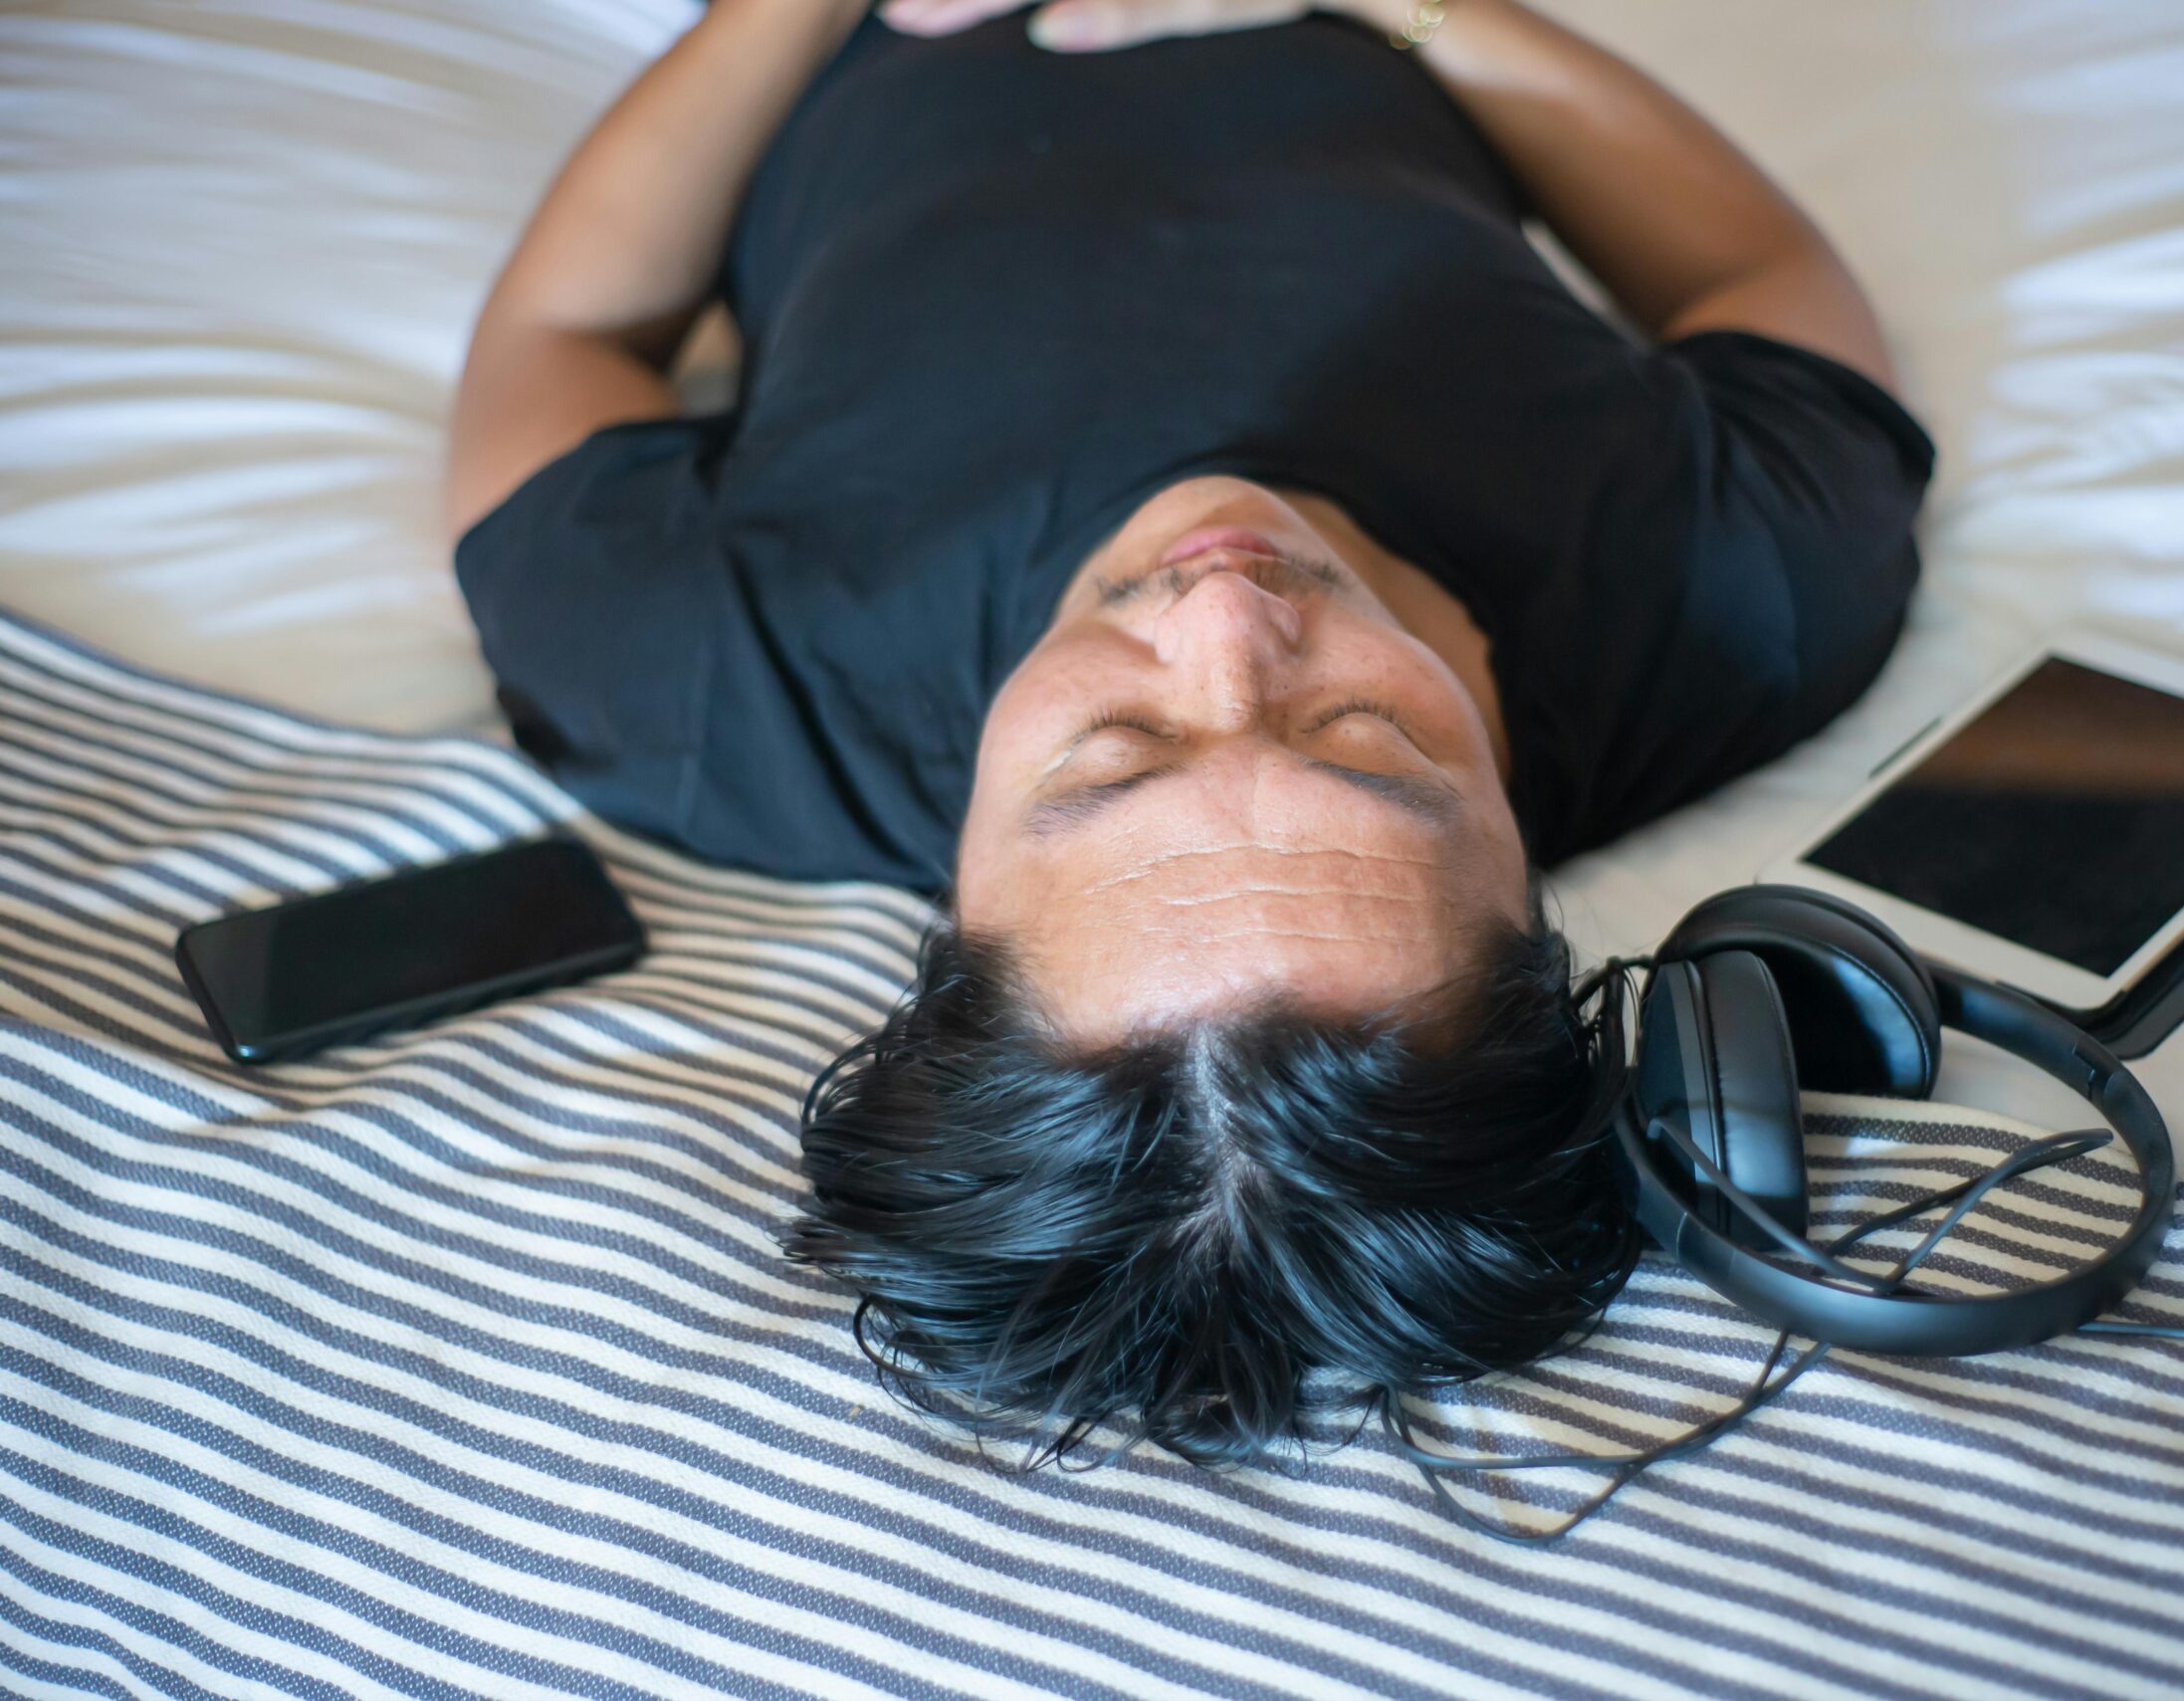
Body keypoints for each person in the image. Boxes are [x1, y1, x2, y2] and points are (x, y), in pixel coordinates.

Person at [443, 0, 1934, 1467]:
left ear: (954, 913)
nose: (1226, 614)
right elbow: (1752, 273)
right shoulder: (1753, 592)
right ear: (1531, 901)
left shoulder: (691, 687)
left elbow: (568, 332)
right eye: (1362, 735)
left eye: (1114, 748)